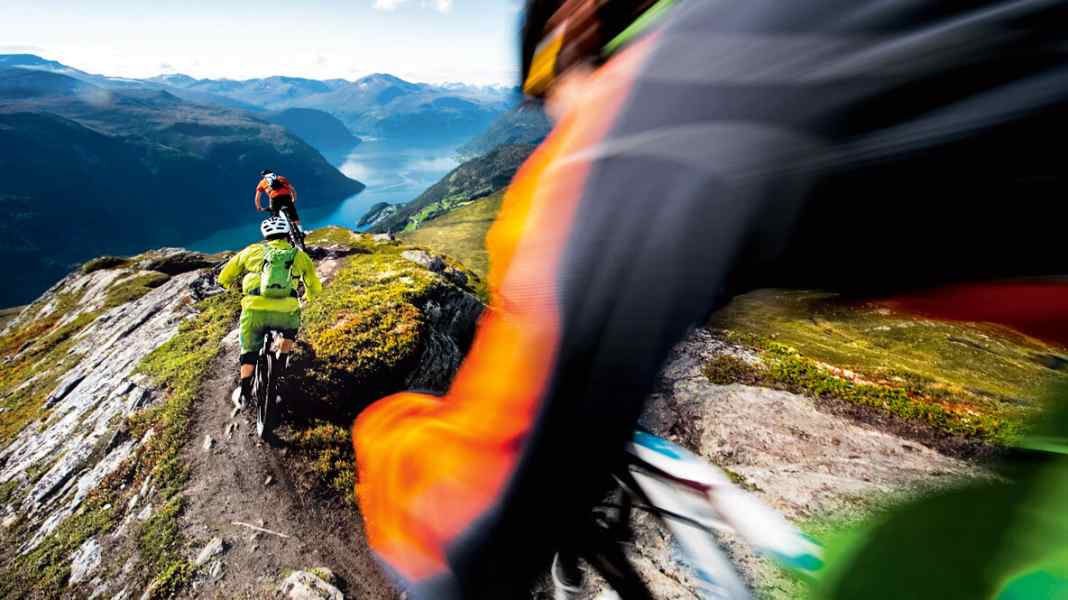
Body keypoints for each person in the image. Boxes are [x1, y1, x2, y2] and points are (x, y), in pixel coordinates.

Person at [351, 0, 1068, 598]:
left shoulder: (640, 114)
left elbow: (469, 523)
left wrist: (383, 430)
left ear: (576, 23)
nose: (552, 122)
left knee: (909, 566)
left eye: (543, 88)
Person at [218, 216, 321, 407]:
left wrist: (224, 284)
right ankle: (279, 368)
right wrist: (309, 295)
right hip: (286, 312)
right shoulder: (298, 255)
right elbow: (314, 285)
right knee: (288, 333)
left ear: (266, 236)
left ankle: (245, 391)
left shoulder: (252, 251)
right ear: (287, 233)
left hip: (254, 310)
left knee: (249, 350)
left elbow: (227, 273)